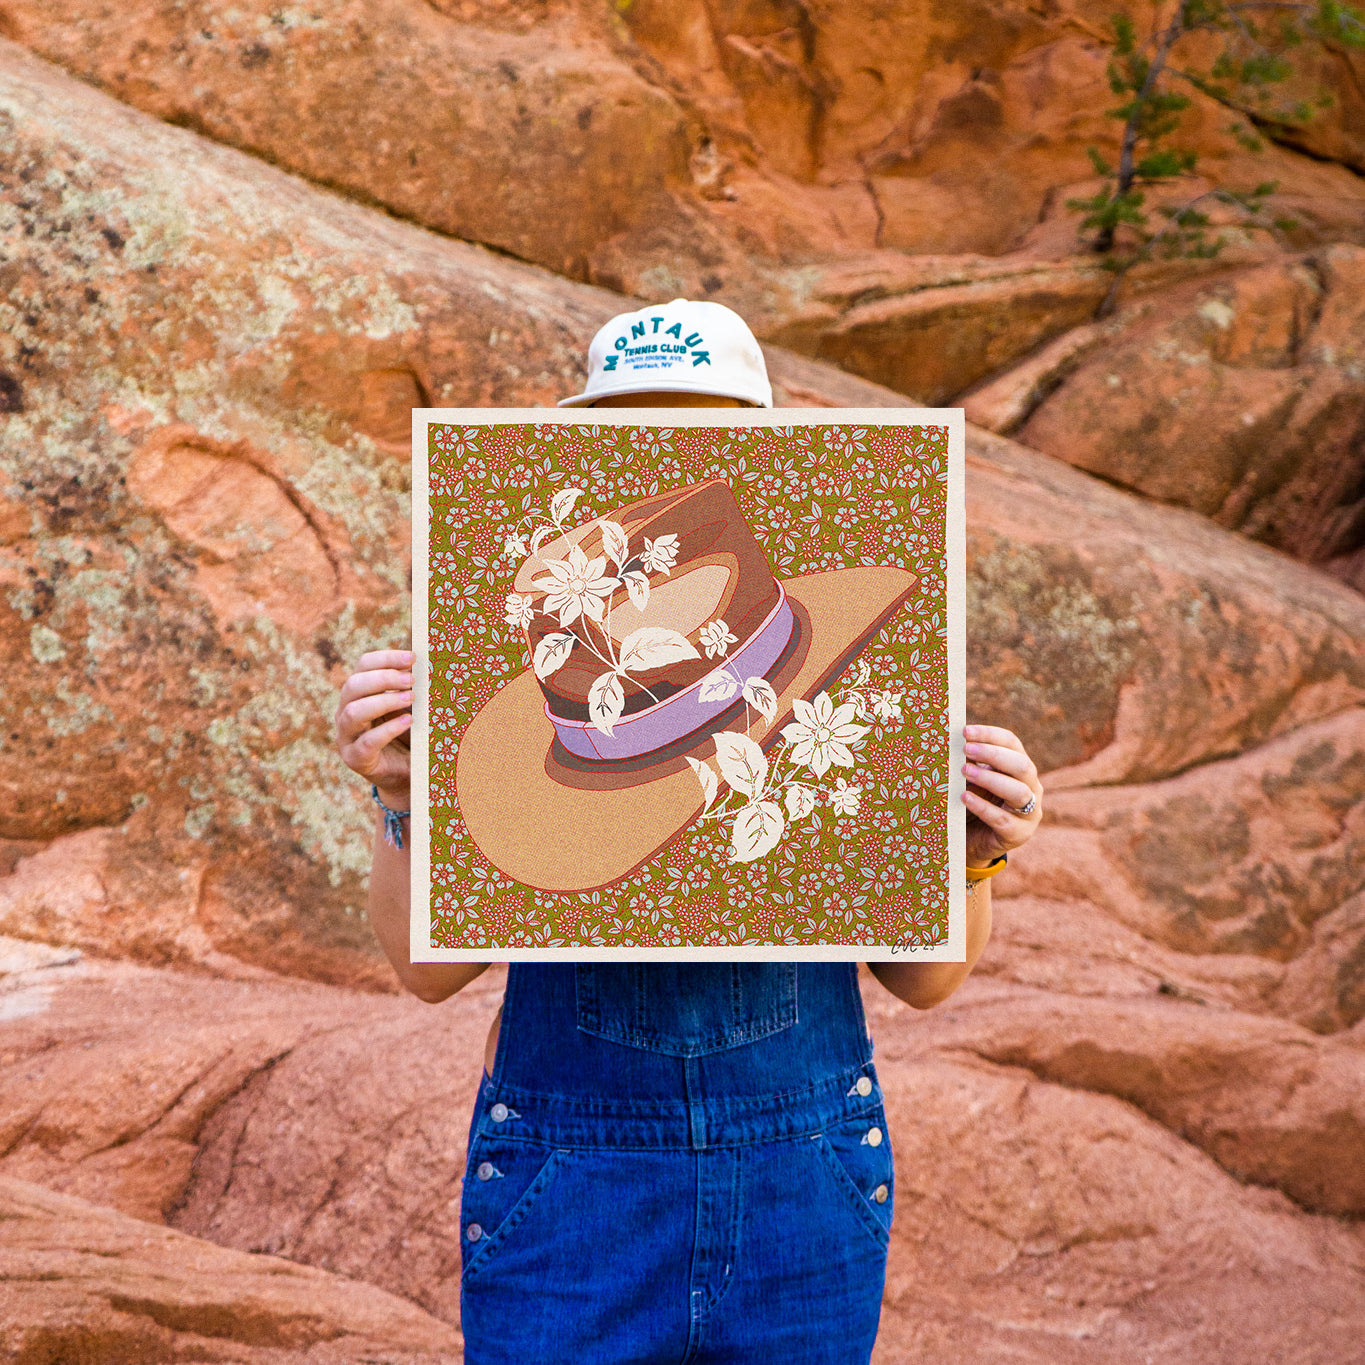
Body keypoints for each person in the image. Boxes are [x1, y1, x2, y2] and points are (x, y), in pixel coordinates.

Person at [335, 299, 1043, 1364]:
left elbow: (927, 980)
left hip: (803, 1185)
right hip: (572, 1185)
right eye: (635, 427)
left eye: (698, 424)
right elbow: (427, 972)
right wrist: (400, 794)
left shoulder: (863, 692)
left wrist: (974, 848)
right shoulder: (507, 682)